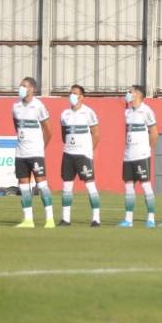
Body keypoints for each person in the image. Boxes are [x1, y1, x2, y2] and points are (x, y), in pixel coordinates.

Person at [12, 77, 55, 229]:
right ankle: (28, 220)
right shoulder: (15, 106)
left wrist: (40, 148)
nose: (21, 88)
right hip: (20, 153)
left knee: (42, 184)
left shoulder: (39, 106)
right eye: (21, 85)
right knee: (23, 186)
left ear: (32, 89)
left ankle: (50, 219)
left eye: (24, 86)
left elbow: (49, 131)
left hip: (35, 152)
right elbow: (17, 127)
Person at [59, 84, 101, 227]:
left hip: (83, 155)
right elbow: (64, 134)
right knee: (66, 186)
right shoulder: (64, 114)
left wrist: (88, 151)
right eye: (70, 93)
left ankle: (96, 218)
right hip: (68, 155)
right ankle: (65, 219)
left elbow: (96, 134)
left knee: (90, 185)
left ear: (81, 97)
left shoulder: (89, 113)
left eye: (75, 93)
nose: (72, 95)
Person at [120, 85, 158, 228]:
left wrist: (147, 149)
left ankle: (151, 219)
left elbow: (154, 133)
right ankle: (128, 220)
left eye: (131, 92)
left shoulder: (147, 111)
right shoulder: (127, 112)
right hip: (128, 155)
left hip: (142, 155)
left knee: (145, 185)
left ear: (137, 95)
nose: (128, 94)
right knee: (129, 186)